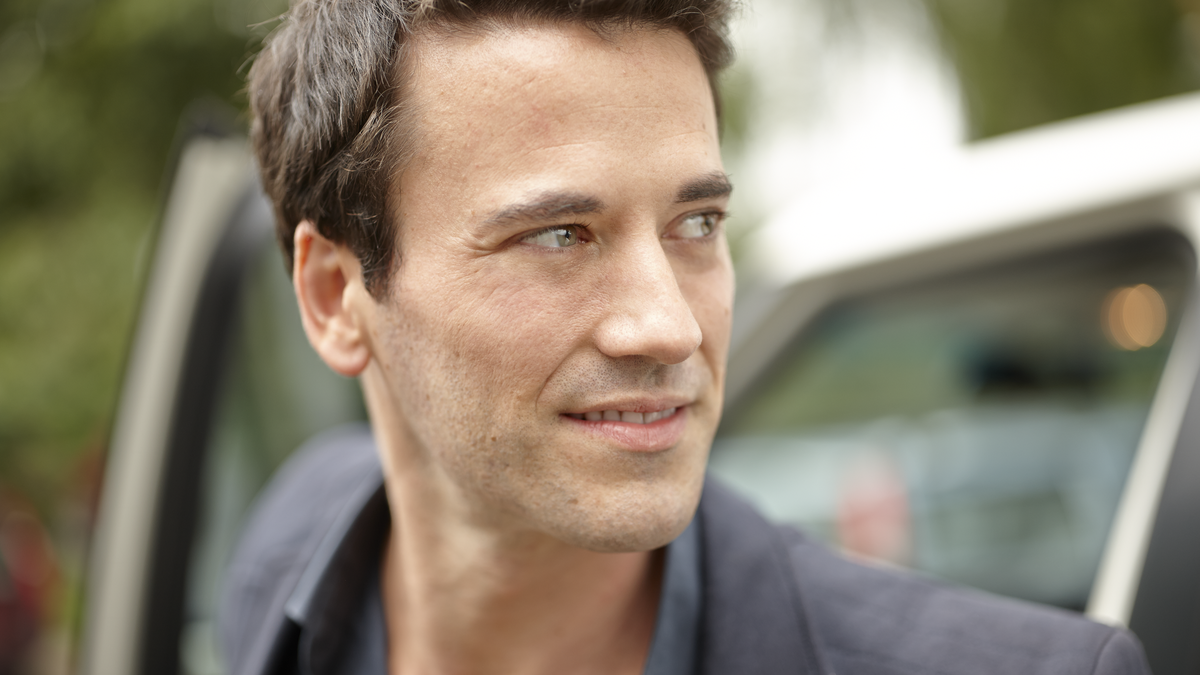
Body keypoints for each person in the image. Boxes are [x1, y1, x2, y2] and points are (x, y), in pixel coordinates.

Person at [219, 1, 1153, 673]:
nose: (668, 325)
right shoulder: (290, 549)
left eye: (696, 224)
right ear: (336, 295)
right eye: (559, 235)